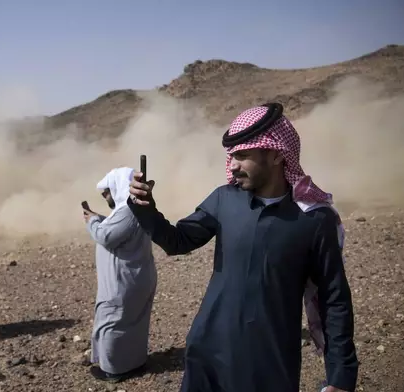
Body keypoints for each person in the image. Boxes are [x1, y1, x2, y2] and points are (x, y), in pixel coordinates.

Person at [127, 103, 358, 392]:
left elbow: (333, 300)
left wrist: (341, 375)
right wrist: (145, 208)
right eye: (231, 156)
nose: (233, 165)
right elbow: (178, 241)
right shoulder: (224, 200)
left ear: (275, 154)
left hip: (268, 363)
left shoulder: (314, 218)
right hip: (207, 351)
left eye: (243, 156)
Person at [83, 167, 158, 383]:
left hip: (123, 281)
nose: (106, 197)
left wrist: (92, 222)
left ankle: (114, 370)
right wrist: (99, 218)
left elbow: (106, 236)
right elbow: (118, 229)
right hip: (133, 277)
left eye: (106, 192)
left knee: (112, 320)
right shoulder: (131, 210)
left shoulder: (129, 210)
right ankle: (133, 362)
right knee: (131, 322)